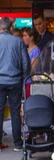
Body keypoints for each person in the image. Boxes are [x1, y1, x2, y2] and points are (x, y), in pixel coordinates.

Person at [0, 17, 30, 151]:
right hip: (15, 81)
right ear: (11, 27)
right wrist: (23, 77)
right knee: (15, 112)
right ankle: (17, 143)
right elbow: (26, 63)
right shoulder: (18, 42)